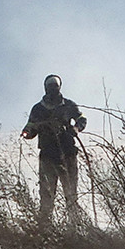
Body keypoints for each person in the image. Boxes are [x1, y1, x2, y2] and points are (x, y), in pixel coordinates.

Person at [21, 74, 87, 223]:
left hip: (67, 154)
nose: (53, 89)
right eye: (50, 86)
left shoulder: (68, 105)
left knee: (71, 194)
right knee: (47, 195)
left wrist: (76, 129)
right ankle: (45, 227)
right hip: (47, 157)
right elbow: (30, 127)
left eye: (55, 86)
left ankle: (74, 227)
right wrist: (27, 132)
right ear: (45, 88)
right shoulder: (38, 109)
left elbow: (81, 119)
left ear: (59, 87)